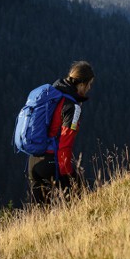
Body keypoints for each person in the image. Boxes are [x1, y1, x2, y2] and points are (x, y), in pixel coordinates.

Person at [28, 61, 95, 204]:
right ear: (82, 84)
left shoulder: (53, 96)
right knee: (82, 204)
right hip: (52, 162)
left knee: (40, 217)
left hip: (33, 161)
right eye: (89, 84)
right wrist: (68, 176)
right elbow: (65, 144)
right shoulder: (72, 107)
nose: (89, 88)